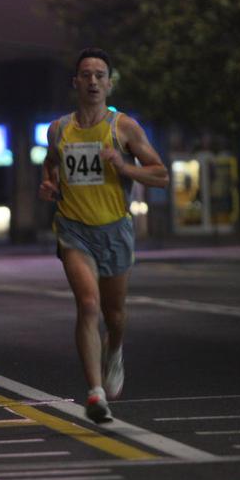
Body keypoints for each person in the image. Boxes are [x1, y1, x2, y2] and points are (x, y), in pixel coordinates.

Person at [38, 48, 168, 423]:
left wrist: (124, 167)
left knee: (115, 315)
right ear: (75, 83)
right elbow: (51, 162)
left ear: (109, 84)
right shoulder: (58, 129)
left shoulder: (123, 127)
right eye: (86, 75)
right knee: (88, 304)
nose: (93, 81)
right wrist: (49, 183)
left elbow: (161, 175)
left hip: (115, 229)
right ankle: (95, 393)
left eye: (100, 75)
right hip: (73, 229)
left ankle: (115, 349)